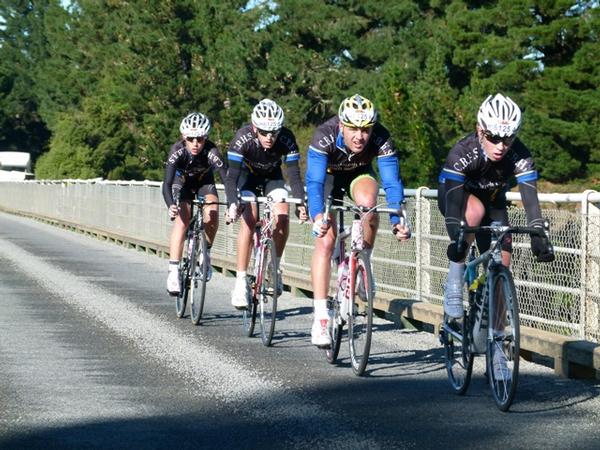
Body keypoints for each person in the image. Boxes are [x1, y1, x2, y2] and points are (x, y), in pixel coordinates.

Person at [438, 93, 555, 375]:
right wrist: (456, 239)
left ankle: (498, 348)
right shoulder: (463, 152)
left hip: (495, 202)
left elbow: (530, 199)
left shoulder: (519, 155)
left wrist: (538, 232)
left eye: (509, 138)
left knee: (503, 263)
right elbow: (454, 206)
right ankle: (455, 280)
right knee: (474, 213)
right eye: (493, 138)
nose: (501, 146)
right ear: (480, 130)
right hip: (459, 199)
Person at [306, 94, 411, 347]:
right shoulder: (325, 135)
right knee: (326, 241)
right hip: (329, 179)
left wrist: (398, 218)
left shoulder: (381, 138)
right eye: (353, 128)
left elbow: (392, 182)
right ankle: (321, 317)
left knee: (369, 205)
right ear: (341, 125)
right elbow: (315, 182)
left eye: (365, 130)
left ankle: (363, 262)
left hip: (359, 174)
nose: (359, 136)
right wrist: (318, 217)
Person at [225, 98, 308, 309]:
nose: (269, 138)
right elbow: (231, 177)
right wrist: (233, 203)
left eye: (274, 133)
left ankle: (274, 268)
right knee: (249, 219)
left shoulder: (287, 139)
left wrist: (301, 203)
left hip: (272, 177)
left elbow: (294, 176)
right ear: (255, 128)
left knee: (282, 215)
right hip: (247, 178)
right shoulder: (242, 138)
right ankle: (241, 281)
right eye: (264, 133)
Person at [163, 112, 228, 295]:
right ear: (184, 137)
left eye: (199, 139)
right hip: (181, 183)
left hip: (204, 184)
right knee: (183, 220)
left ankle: (205, 252)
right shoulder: (177, 151)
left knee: (213, 209)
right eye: (190, 139)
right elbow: (166, 184)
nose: (195, 143)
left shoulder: (212, 152)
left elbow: (227, 179)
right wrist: (171, 205)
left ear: (205, 137)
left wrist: (233, 203)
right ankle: (173, 271)